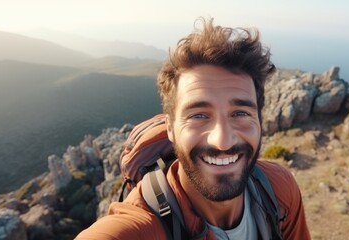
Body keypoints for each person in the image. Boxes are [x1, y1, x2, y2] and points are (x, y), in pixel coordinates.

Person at [75, 17, 310, 240]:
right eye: (199, 115)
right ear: (170, 128)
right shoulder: (141, 229)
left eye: (240, 113)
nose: (223, 141)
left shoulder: (279, 189)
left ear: (259, 121)